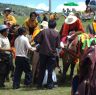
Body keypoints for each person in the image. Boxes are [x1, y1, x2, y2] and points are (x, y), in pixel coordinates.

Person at [34, 20, 60, 89]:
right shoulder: (57, 33)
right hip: (52, 54)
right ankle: (49, 85)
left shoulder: (43, 31)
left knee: (42, 69)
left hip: (43, 53)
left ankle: (39, 85)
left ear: (48, 25)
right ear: (55, 26)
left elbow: (37, 40)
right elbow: (58, 46)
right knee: (50, 70)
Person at [60, 12, 84, 82]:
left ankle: (81, 53)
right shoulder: (66, 23)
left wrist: (74, 34)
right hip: (67, 36)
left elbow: (81, 31)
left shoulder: (78, 21)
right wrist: (68, 36)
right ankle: (62, 54)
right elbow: (64, 33)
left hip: (77, 35)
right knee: (63, 45)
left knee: (82, 43)